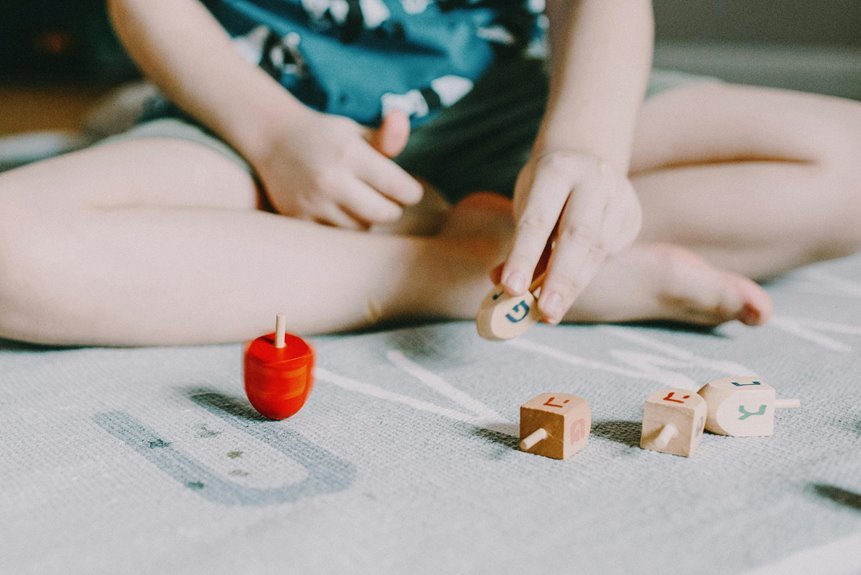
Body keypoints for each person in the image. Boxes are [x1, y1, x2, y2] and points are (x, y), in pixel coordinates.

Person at [0, 0, 858, 346]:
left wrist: (585, 149)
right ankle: (466, 270)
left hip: (507, 100)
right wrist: (272, 135)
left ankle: (521, 240)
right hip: (261, 115)